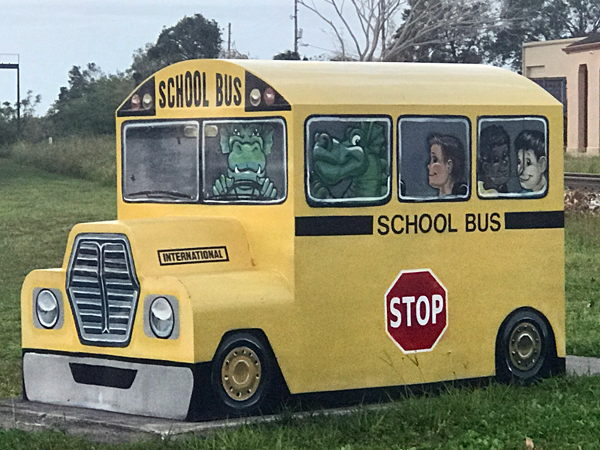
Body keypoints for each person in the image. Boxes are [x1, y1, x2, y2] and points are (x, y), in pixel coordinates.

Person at [477, 125, 511, 195]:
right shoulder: (480, 192)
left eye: (505, 155)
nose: (504, 162)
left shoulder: (503, 189)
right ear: (485, 167)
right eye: (496, 160)